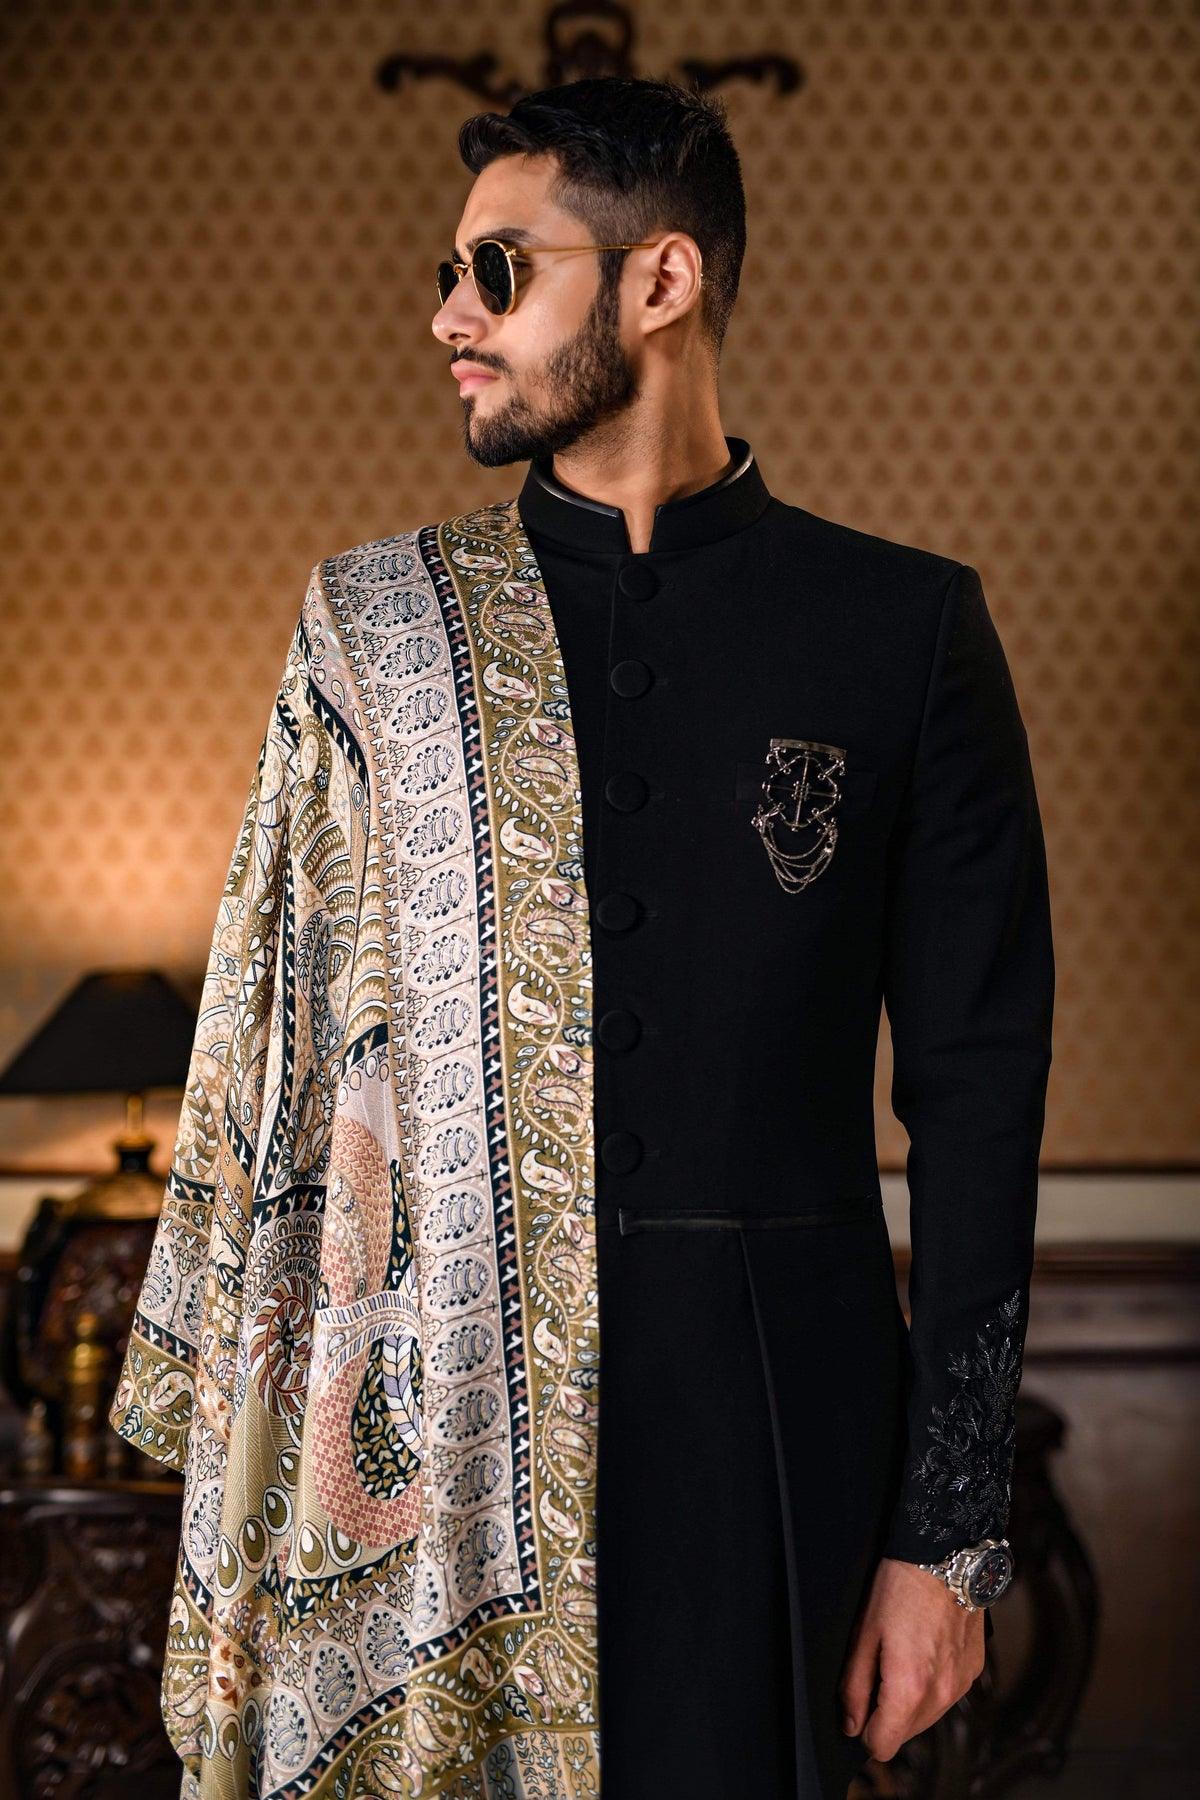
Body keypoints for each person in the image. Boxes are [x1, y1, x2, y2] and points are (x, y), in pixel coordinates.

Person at [111, 75, 1054, 1800]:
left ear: (660, 281)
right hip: (425, 1426)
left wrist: (949, 1540)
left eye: (499, 269)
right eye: (452, 273)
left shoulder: (902, 629)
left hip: (777, 1432)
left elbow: (982, 1100)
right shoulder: (371, 631)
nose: (448, 319)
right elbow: (277, 1050)